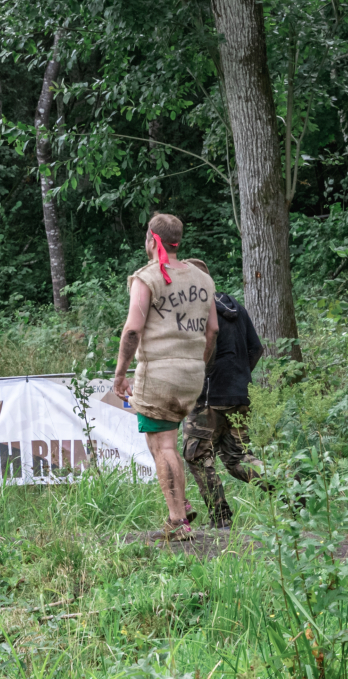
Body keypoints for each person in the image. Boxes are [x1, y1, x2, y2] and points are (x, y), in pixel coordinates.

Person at [113, 213, 218, 541]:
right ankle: (180, 504)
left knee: (163, 445)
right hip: (192, 373)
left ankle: (178, 521)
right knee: (162, 441)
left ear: (152, 239)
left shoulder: (147, 278)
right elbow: (213, 330)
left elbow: (132, 330)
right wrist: (197, 364)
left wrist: (120, 374)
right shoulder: (203, 278)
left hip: (159, 374)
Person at [183, 292, 265, 529]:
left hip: (208, 397)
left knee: (196, 456)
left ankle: (220, 517)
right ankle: (290, 486)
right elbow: (256, 349)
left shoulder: (196, 307)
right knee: (239, 458)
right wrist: (237, 378)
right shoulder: (236, 306)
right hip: (239, 394)